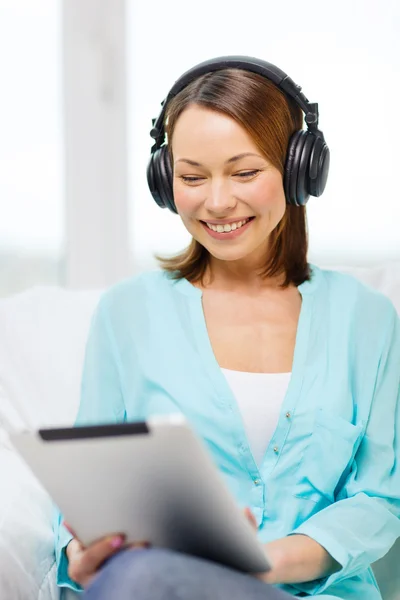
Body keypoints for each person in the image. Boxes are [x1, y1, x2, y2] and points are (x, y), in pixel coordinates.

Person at [53, 56, 400, 600]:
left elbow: (380, 501)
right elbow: (86, 487)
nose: (217, 202)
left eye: (244, 173)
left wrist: (262, 562)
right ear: (167, 183)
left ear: (299, 168)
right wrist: (82, 552)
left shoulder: (368, 319)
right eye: (192, 177)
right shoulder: (126, 313)